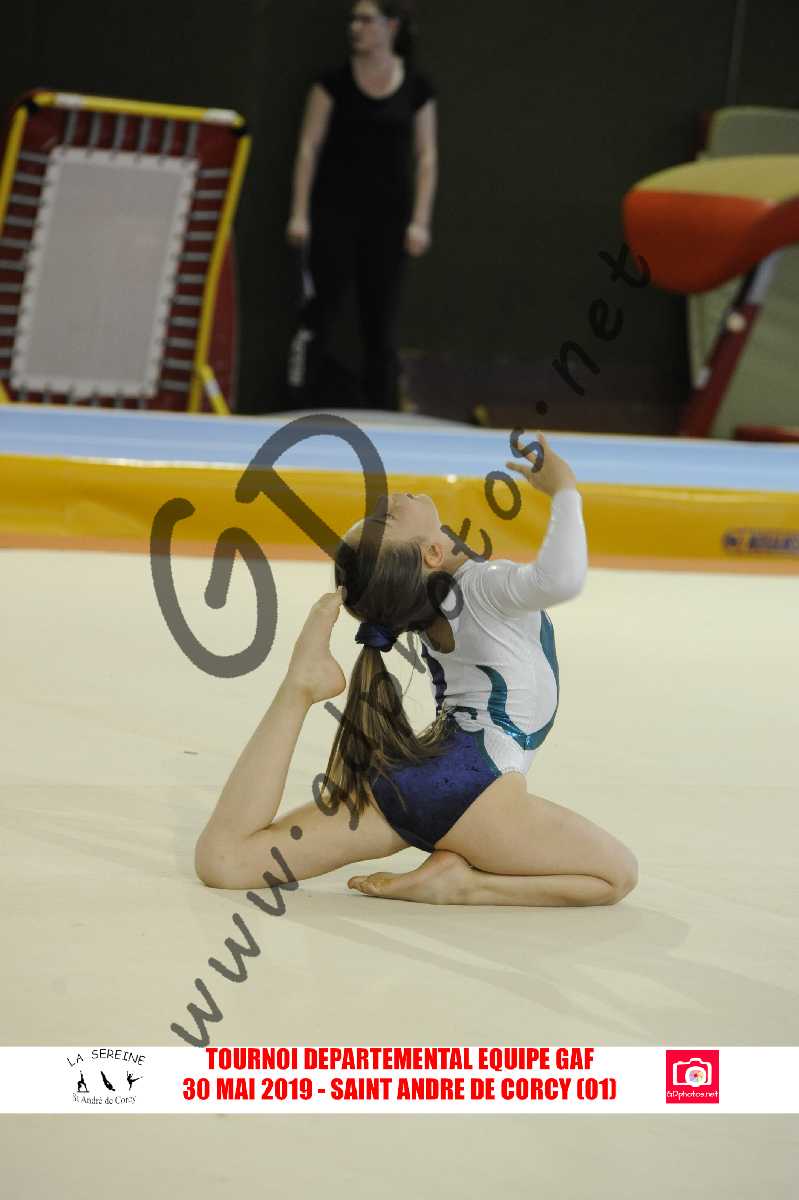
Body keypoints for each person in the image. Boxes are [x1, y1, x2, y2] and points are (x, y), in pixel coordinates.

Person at [195, 434, 639, 908]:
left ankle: (299, 687)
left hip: (416, 777)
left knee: (227, 860)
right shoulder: (481, 589)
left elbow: (221, 865)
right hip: (475, 785)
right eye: (385, 519)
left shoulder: (429, 606)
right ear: (430, 555)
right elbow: (562, 578)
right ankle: (466, 885)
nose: (386, 501)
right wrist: (564, 488)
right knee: (616, 875)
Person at [286, 0, 437, 410]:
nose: (356, 27)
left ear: (391, 27)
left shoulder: (417, 89)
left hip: (389, 221)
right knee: (322, 312)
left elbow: (426, 157)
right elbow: (308, 147)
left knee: (380, 321)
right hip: (334, 214)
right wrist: (299, 213)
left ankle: (382, 410)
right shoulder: (332, 84)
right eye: (353, 20)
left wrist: (420, 221)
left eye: (366, 20)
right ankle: (303, 405)